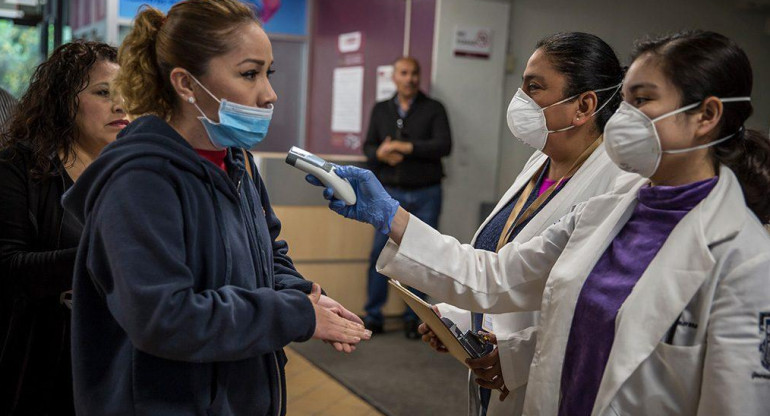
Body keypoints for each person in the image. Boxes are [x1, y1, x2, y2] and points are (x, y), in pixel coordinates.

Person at [311, 30, 770, 415]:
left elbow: (735, 402)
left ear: (706, 116)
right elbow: (499, 277)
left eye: (643, 100)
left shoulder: (746, 260)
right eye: (625, 100)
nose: (623, 117)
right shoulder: (613, 209)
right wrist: (389, 215)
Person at [61, 1, 369, 415]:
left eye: (268, 72)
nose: (269, 93)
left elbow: (267, 255)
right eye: (249, 74)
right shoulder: (139, 181)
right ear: (186, 84)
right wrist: (294, 314)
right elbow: (165, 318)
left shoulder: (235, 161)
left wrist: (303, 295)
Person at [423, 32, 625, 416]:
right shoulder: (540, 160)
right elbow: (508, 265)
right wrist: (460, 318)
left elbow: (593, 312)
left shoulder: (612, 182)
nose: (521, 100)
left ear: (584, 105)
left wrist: (515, 355)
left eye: (534, 87)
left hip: (549, 384)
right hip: (492, 370)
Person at [0, 40, 123, 415]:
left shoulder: (131, 174)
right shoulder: (17, 166)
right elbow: (9, 269)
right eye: (104, 93)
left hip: (114, 365)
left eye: (128, 94)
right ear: (63, 99)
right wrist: (105, 256)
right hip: (36, 364)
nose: (121, 105)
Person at [362, 56, 452, 338]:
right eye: (404, 73)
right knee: (380, 253)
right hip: (391, 194)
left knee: (421, 256)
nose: (410, 78)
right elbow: (369, 147)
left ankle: (415, 320)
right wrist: (380, 153)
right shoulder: (381, 109)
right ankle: (373, 315)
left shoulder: (434, 108)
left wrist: (406, 147)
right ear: (394, 77)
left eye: (415, 73)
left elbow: (443, 145)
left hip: (426, 193)